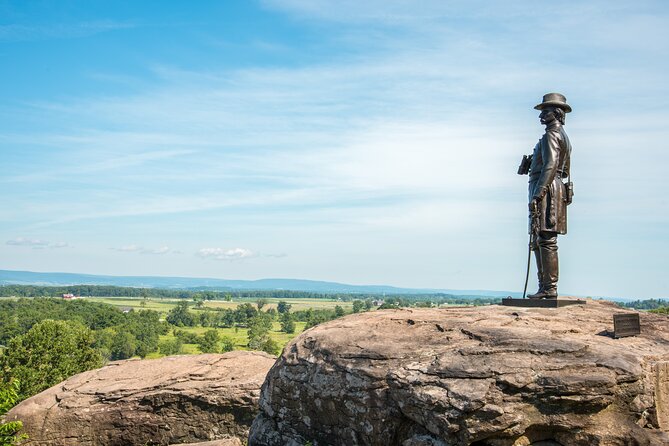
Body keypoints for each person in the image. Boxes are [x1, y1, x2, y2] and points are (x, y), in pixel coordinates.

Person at [524, 93, 573, 299]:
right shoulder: (561, 136)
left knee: (545, 240)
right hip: (550, 186)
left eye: (544, 111)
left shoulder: (552, 135)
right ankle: (544, 286)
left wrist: (538, 193)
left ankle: (549, 288)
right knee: (538, 239)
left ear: (556, 112)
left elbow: (552, 165)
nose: (541, 115)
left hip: (547, 189)